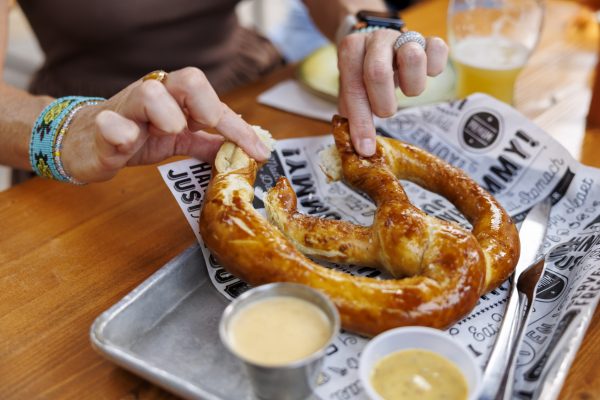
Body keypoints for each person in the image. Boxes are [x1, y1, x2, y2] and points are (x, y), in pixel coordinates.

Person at [0, 0, 448, 184]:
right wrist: (68, 130)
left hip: (245, 90)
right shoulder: (75, 131)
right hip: (82, 131)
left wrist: (365, 25)